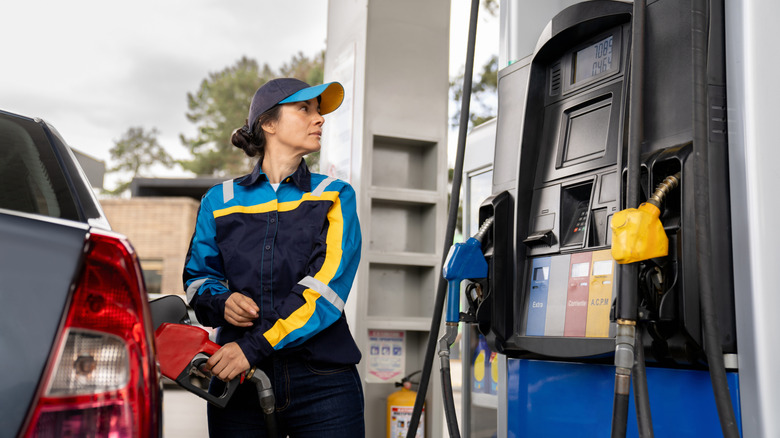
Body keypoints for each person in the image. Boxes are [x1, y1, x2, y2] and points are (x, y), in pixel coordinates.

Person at [183, 77, 364, 437]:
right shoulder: (218, 200)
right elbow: (197, 280)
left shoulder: (335, 195)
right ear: (268, 123)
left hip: (322, 382)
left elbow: (323, 291)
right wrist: (222, 301)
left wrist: (252, 347)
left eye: (318, 111)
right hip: (238, 381)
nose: (320, 119)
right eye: (305, 109)